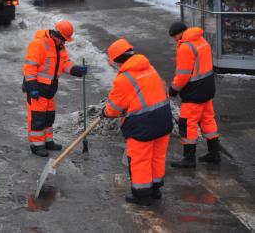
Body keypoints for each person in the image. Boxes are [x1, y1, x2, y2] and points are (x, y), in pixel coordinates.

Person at [102, 39, 173, 206]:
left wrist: (104, 112)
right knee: (157, 156)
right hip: (163, 118)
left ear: (118, 60)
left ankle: (142, 195)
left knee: (140, 159)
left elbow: (113, 109)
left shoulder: (124, 78)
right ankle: (155, 190)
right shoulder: (149, 67)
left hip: (143, 125)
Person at [22, 21, 88, 157]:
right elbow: (30, 67)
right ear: (55, 35)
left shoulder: (60, 47)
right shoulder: (38, 44)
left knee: (48, 117)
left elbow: (65, 63)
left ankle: (48, 141)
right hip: (37, 88)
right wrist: (32, 87)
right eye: (63, 39)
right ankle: (37, 145)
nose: (64, 43)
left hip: (50, 88)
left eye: (65, 40)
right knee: (37, 118)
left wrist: (76, 70)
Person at [168, 22, 220, 168]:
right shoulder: (201, 40)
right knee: (208, 119)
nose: (175, 40)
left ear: (180, 33)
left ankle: (189, 159)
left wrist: (173, 89)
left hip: (194, 92)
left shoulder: (185, 47)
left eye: (174, 37)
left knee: (187, 123)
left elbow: (183, 75)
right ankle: (214, 153)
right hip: (208, 87)